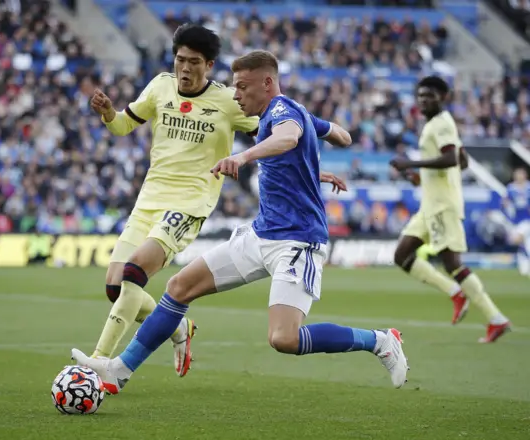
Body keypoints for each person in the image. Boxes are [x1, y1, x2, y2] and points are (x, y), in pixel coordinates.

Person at [73, 50, 410, 393]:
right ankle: (119, 369)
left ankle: (380, 341)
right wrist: (316, 163)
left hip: (296, 242)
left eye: (242, 87)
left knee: (284, 338)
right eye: (234, 87)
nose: (236, 95)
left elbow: (289, 137)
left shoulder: (281, 110)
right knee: (178, 288)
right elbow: (342, 136)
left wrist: (244, 155)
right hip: (260, 234)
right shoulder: (291, 113)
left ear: (267, 83)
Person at [71, 23, 260, 391]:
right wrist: (109, 114)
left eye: (193, 62)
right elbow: (125, 126)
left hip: (189, 203)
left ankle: (98, 367)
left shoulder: (226, 102)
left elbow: (268, 130)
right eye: (179, 60)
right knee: (115, 286)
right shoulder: (159, 86)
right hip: (149, 200)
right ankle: (177, 325)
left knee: (134, 272)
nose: (184, 69)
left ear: (209, 65)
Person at [390, 76, 511, 343]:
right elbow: (463, 161)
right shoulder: (439, 124)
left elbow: (450, 158)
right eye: (420, 95)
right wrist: (421, 178)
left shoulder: (442, 122)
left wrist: (412, 162)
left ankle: (496, 318)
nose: (423, 100)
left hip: (442, 204)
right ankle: (456, 293)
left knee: (452, 263)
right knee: (402, 255)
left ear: (443, 97)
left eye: (429, 95)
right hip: (430, 203)